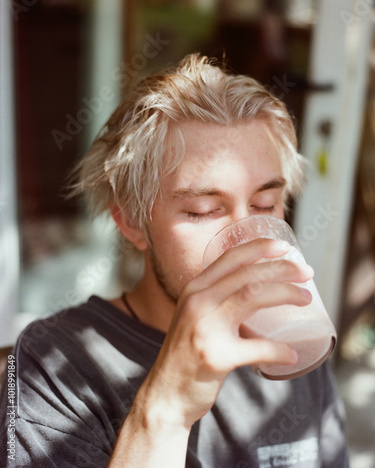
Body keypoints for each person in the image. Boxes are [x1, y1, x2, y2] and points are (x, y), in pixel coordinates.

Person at [0, 54, 348, 467]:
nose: (245, 239)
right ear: (131, 221)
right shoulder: (56, 365)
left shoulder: (293, 338)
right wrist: (164, 411)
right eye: (203, 210)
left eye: (265, 203)